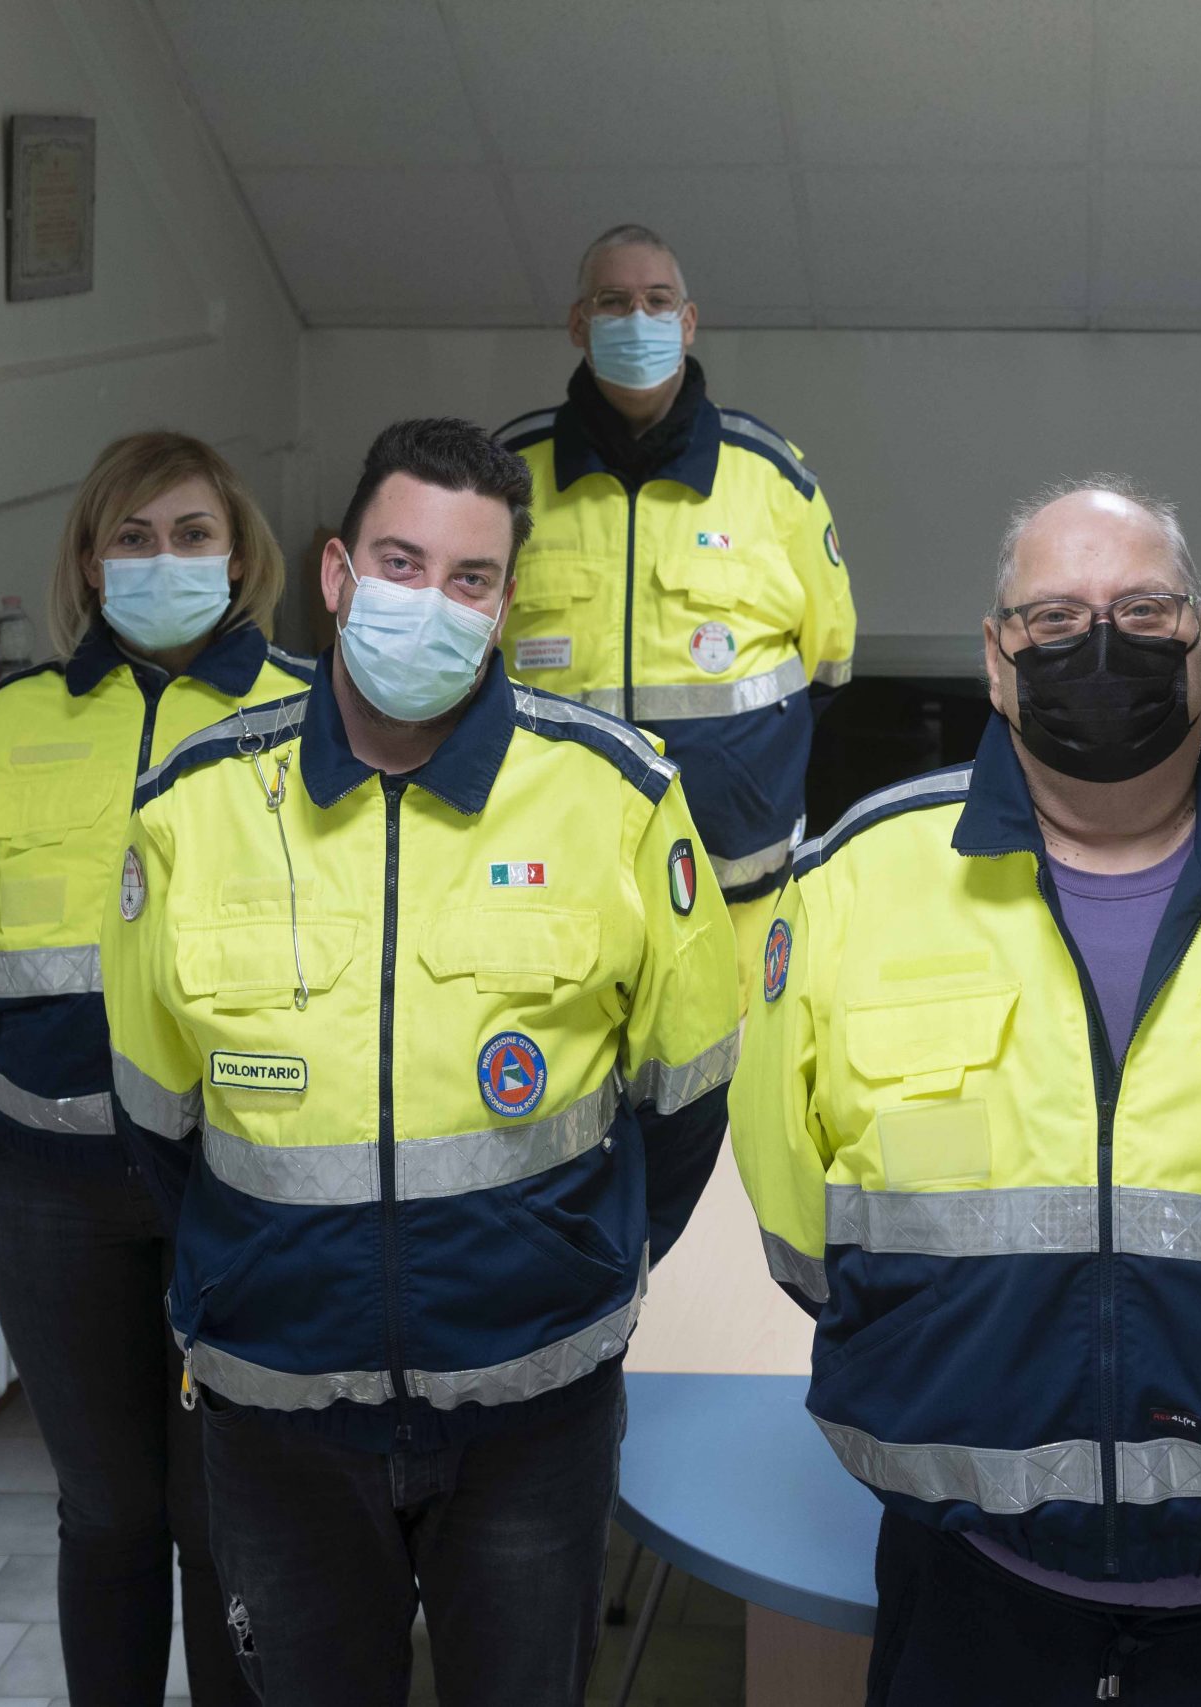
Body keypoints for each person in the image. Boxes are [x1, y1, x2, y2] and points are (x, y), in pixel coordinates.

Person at [730, 478, 1201, 1706]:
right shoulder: (853, 880)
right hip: (969, 1580)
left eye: (1143, 609)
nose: (1100, 644)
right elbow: (794, 1208)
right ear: (993, 657)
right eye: (1054, 618)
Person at [101, 418, 743, 1706]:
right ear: (335, 577)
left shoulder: (614, 797)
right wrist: (272, 1271)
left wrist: (565, 1264)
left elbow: (683, 1103)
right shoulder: (194, 807)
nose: (429, 603)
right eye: (400, 563)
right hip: (278, 1407)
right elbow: (155, 1120)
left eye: (468, 579)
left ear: (505, 606)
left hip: (531, 1408)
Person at [0, 430, 308, 1705]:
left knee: (220, 1516)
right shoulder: (5, 728)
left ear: (240, 553)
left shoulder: (309, 717)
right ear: (90, 565)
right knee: (103, 1511)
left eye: (192, 535)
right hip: (48, 1188)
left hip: (234, 1182)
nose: (163, 560)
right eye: (133, 538)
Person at [494, 223, 855, 973]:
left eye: (657, 301)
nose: (637, 318)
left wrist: (740, 753)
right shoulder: (506, 476)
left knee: (733, 1090)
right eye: (613, 301)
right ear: (578, 323)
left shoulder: (769, 477)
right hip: (551, 879)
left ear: (688, 323)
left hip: (736, 890)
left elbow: (828, 662)